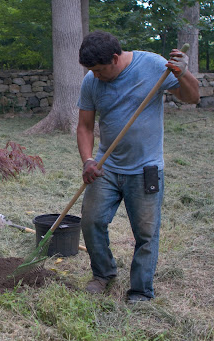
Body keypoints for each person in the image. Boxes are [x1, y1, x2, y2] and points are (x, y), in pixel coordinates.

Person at [76, 31, 200, 303]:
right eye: (91, 71)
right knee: (91, 220)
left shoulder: (153, 66)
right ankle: (103, 274)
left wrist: (182, 73)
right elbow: (85, 127)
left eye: (99, 69)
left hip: (146, 169)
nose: (95, 75)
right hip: (106, 166)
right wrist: (88, 160)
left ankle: (141, 291)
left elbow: (192, 97)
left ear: (115, 58)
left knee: (146, 233)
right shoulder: (91, 82)